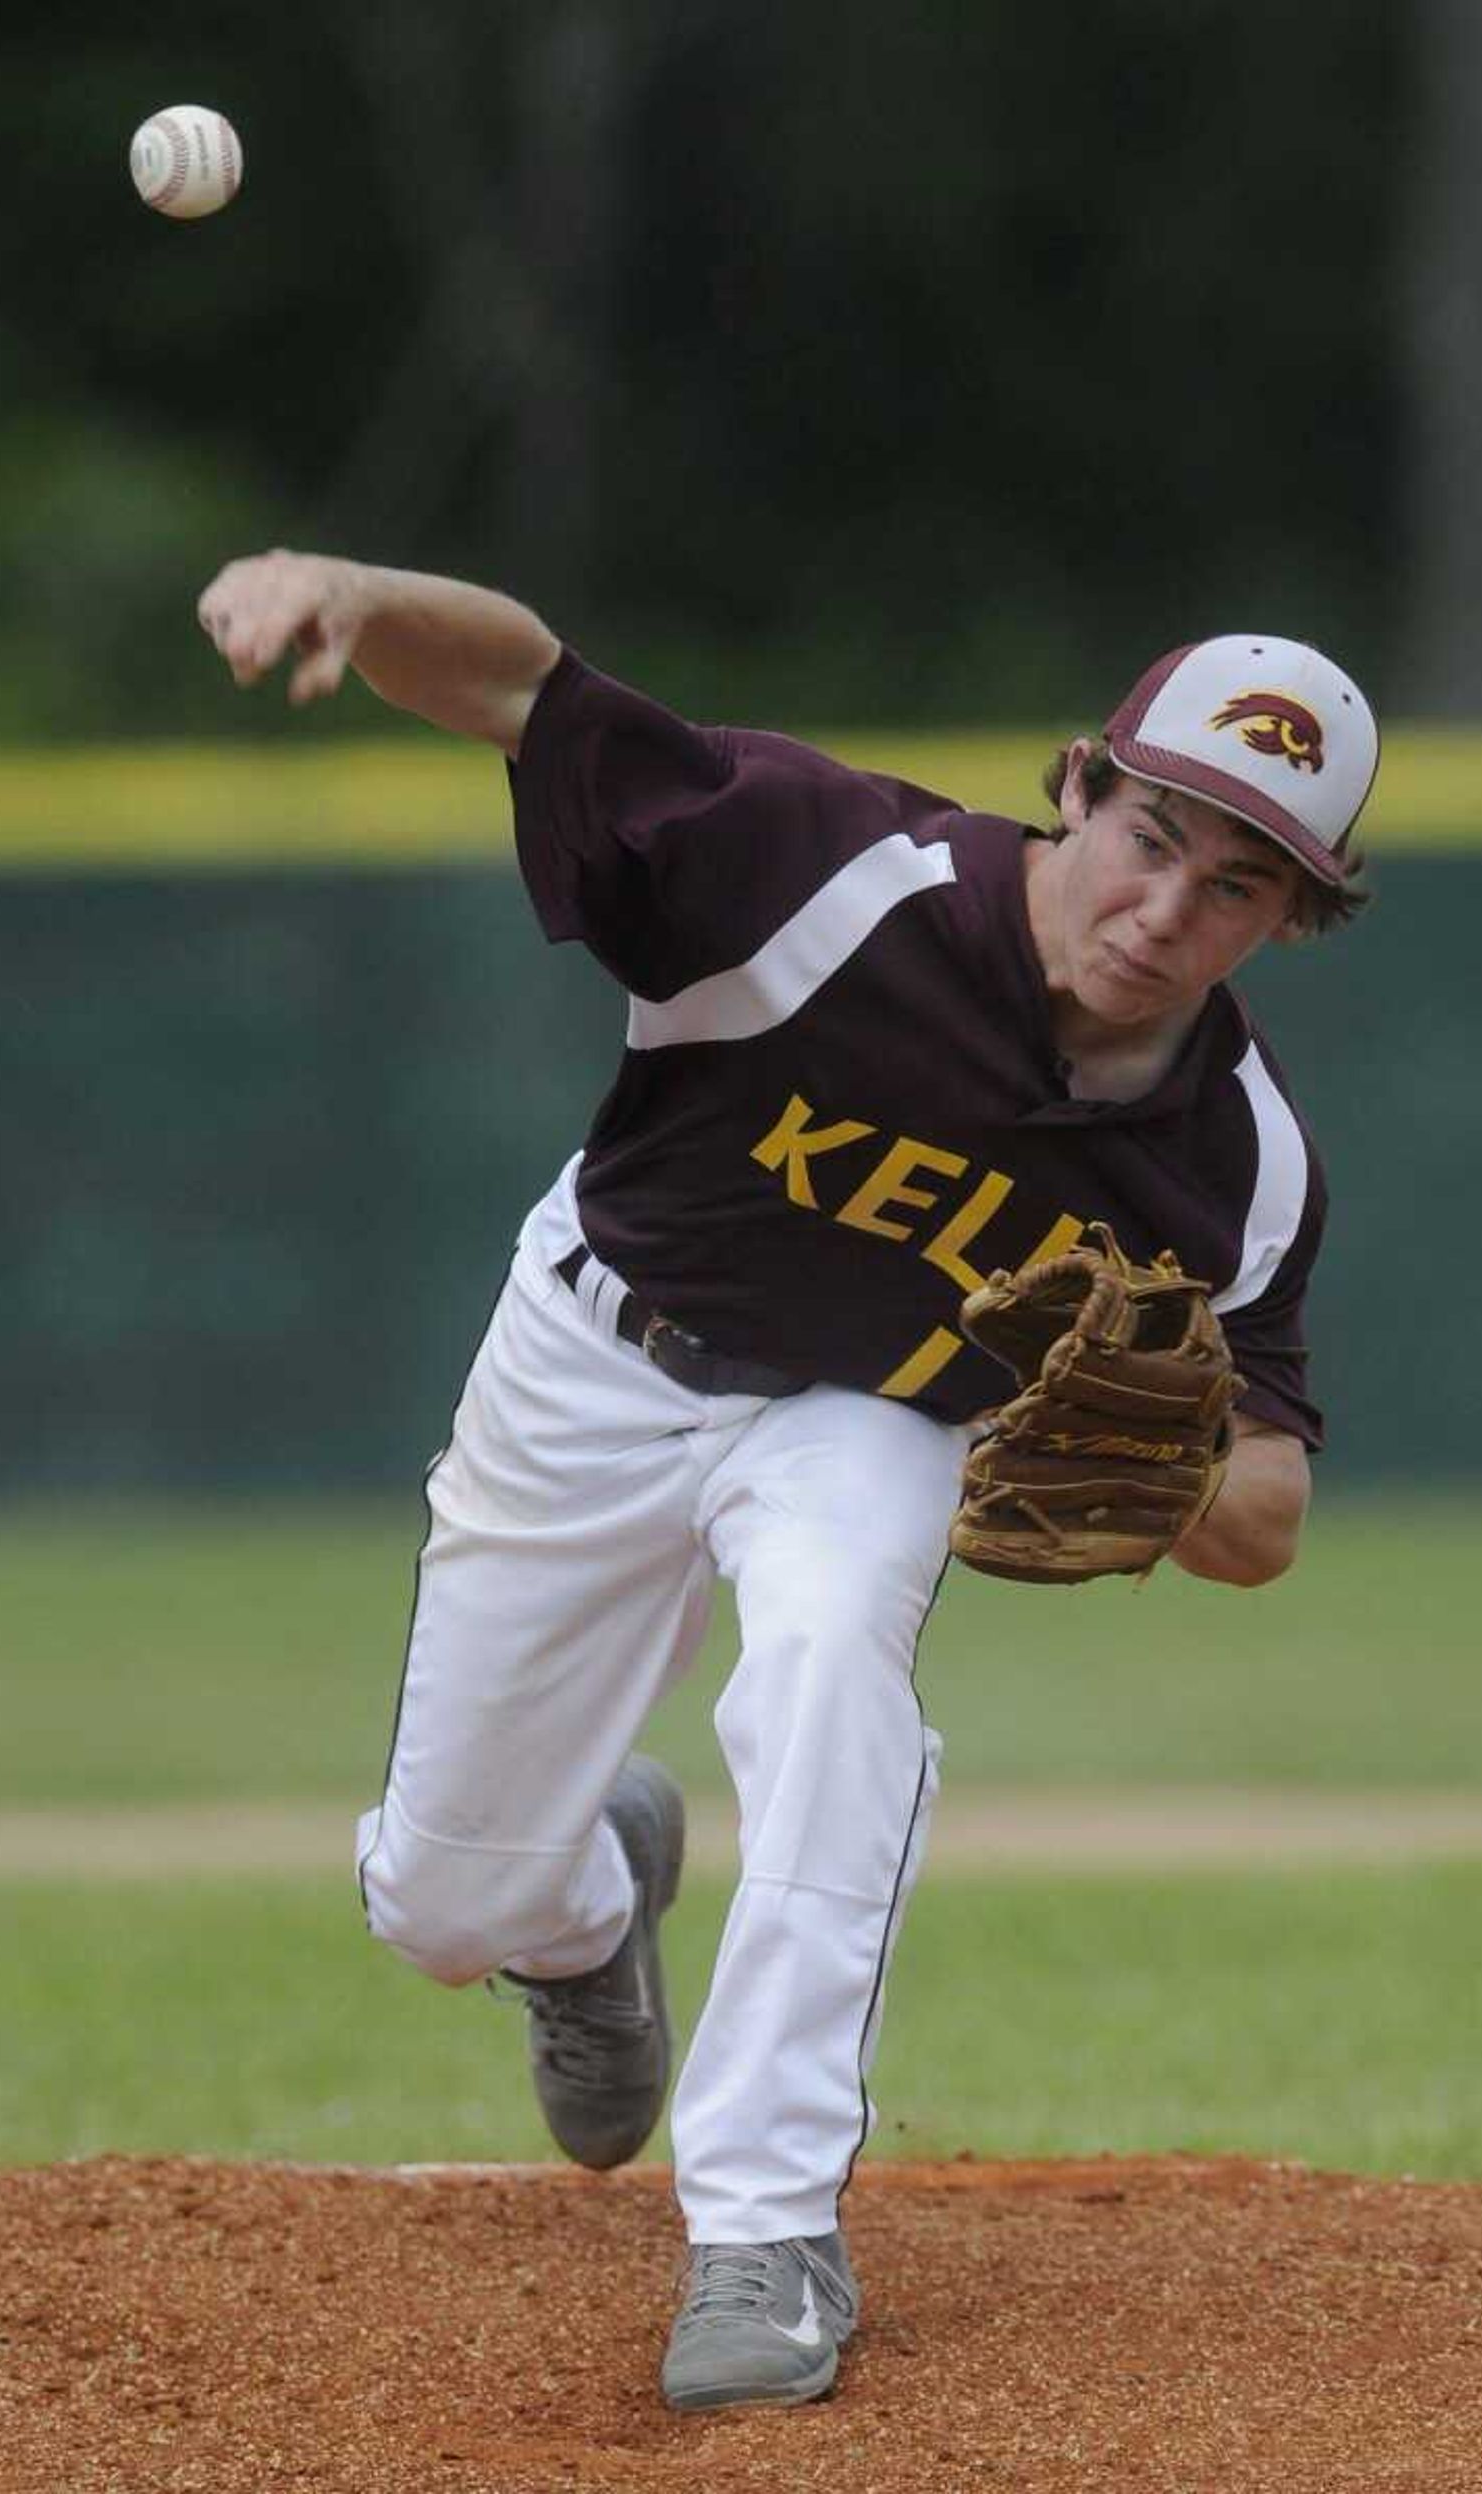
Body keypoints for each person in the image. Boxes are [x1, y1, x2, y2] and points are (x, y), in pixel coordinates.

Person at [196, 551, 1378, 2412]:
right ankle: (590, 1912)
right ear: (1075, 787)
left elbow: (1268, 1508)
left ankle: (766, 2226)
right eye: (1149, 835)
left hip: (870, 1415)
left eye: (1240, 887)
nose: (1166, 907)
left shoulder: (1241, 1163)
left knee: (836, 1671)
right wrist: (349, 594)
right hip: (602, 1347)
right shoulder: (820, 864)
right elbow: (530, 691)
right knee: (442, 1910)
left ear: (1289, 923)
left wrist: (1142, 1469)